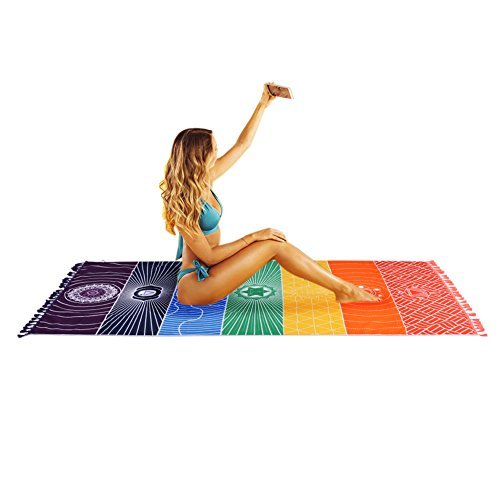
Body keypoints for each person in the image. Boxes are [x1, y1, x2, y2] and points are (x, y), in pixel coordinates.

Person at [159, 83, 380, 306]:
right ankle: (346, 290)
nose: (218, 152)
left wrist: (263, 104)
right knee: (272, 244)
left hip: (211, 270)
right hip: (196, 285)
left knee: (275, 243)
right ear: (200, 156)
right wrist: (254, 236)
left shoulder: (204, 180)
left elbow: (242, 144)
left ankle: (344, 289)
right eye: (214, 149)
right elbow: (208, 256)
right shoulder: (182, 201)